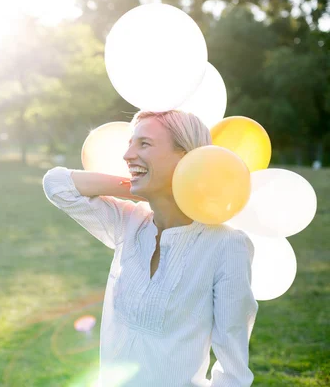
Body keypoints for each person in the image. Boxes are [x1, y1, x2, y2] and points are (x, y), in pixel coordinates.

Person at [43, 110, 257, 386]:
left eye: (144, 144)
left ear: (187, 156)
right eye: (130, 143)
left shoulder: (226, 245)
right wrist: (138, 187)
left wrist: (170, 185)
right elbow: (57, 185)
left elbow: (234, 372)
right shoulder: (129, 223)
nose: (127, 155)